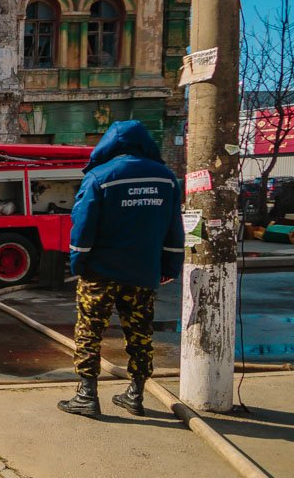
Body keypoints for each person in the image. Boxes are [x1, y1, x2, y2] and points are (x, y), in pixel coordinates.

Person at [58, 121, 184, 418]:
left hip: (100, 273)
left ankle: (87, 395)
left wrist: (79, 263)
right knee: (140, 332)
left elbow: (84, 226)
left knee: (89, 330)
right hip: (142, 273)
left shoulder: (100, 177)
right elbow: (174, 229)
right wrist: (170, 266)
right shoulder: (167, 179)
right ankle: (136, 394)